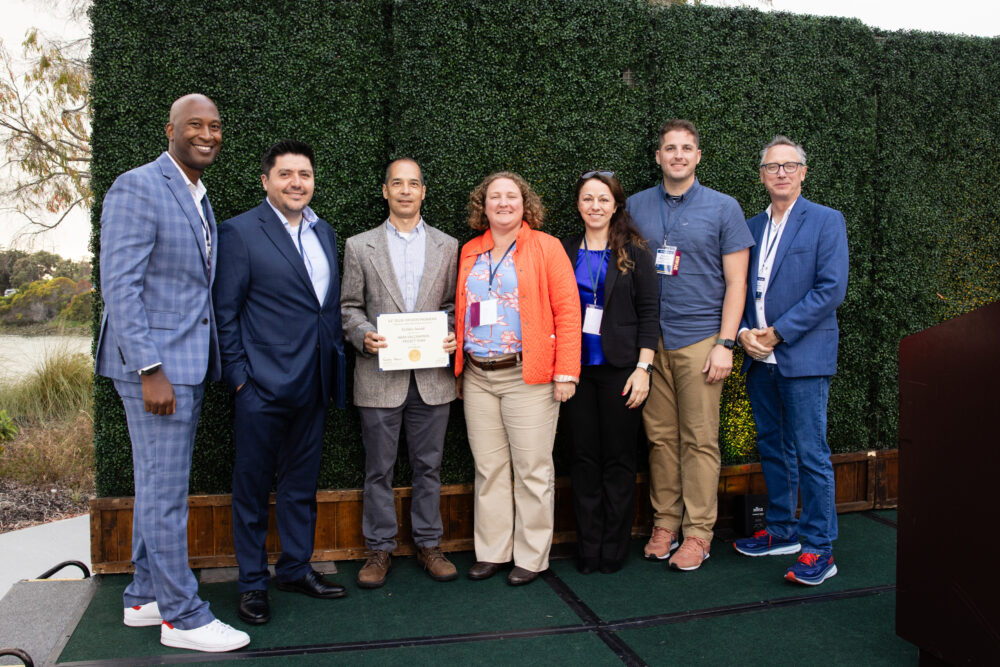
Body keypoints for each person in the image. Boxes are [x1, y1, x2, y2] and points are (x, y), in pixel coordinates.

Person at [95, 93, 249, 652]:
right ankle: (182, 617)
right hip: (157, 369)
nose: (206, 134)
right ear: (170, 130)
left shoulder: (197, 194)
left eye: (214, 125)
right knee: (165, 492)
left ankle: (142, 595)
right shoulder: (138, 186)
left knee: (155, 484)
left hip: (184, 362)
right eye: (194, 125)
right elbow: (121, 286)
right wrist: (150, 368)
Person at [213, 139, 348, 625]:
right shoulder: (240, 232)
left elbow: (323, 309)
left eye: (305, 174)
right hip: (260, 389)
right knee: (250, 489)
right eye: (286, 174)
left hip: (314, 384)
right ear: (266, 180)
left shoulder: (324, 232)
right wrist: (240, 382)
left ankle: (295, 567)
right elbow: (224, 315)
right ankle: (252, 583)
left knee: (300, 486)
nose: (297, 183)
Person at [626, 119, 753, 571]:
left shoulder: (724, 208)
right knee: (660, 439)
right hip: (650, 343)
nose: (678, 155)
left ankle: (699, 533)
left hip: (701, 339)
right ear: (658, 156)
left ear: (698, 156)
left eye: (686, 148)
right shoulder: (636, 205)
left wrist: (725, 343)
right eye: (669, 148)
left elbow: (738, 282)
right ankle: (666, 523)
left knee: (699, 440)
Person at [455, 171, 581, 586]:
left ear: (525, 204)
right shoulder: (471, 251)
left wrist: (566, 372)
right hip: (477, 376)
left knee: (532, 469)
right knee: (489, 468)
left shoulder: (546, 247)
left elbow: (567, 312)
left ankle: (531, 556)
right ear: (483, 205)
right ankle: (492, 552)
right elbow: (461, 308)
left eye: (512, 196)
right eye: (495, 196)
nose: (503, 203)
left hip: (529, 375)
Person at [733, 136, 849, 586]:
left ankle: (819, 547)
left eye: (789, 165)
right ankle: (782, 532)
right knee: (772, 446)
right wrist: (744, 333)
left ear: (803, 172)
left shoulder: (825, 220)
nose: (780, 173)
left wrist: (777, 333)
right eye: (772, 166)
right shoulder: (750, 228)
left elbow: (830, 289)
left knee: (811, 452)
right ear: (762, 176)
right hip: (758, 357)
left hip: (802, 354)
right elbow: (738, 287)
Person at [341, 158, 459, 588]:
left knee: (429, 468)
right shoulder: (359, 246)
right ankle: (379, 550)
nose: (406, 191)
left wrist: (450, 333)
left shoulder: (449, 246)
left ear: (423, 192)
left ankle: (430, 545)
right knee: (378, 470)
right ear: (385, 191)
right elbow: (348, 307)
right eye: (397, 184)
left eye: (413, 184)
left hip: (432, 379)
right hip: (379, 377)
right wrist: (364, 334)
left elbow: (452, 307)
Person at [560, 170, 658, 574]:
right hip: (575, 371)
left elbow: (651, 314)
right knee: (583, 460)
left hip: (621, 370)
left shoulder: (635, 252)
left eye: (603, 199)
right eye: (588, 199)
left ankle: (614, 547)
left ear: (616, 204)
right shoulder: (563, 251)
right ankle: (589, 545)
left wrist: (643, 368)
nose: (595, 206)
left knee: (618, 460)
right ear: (579, 205)